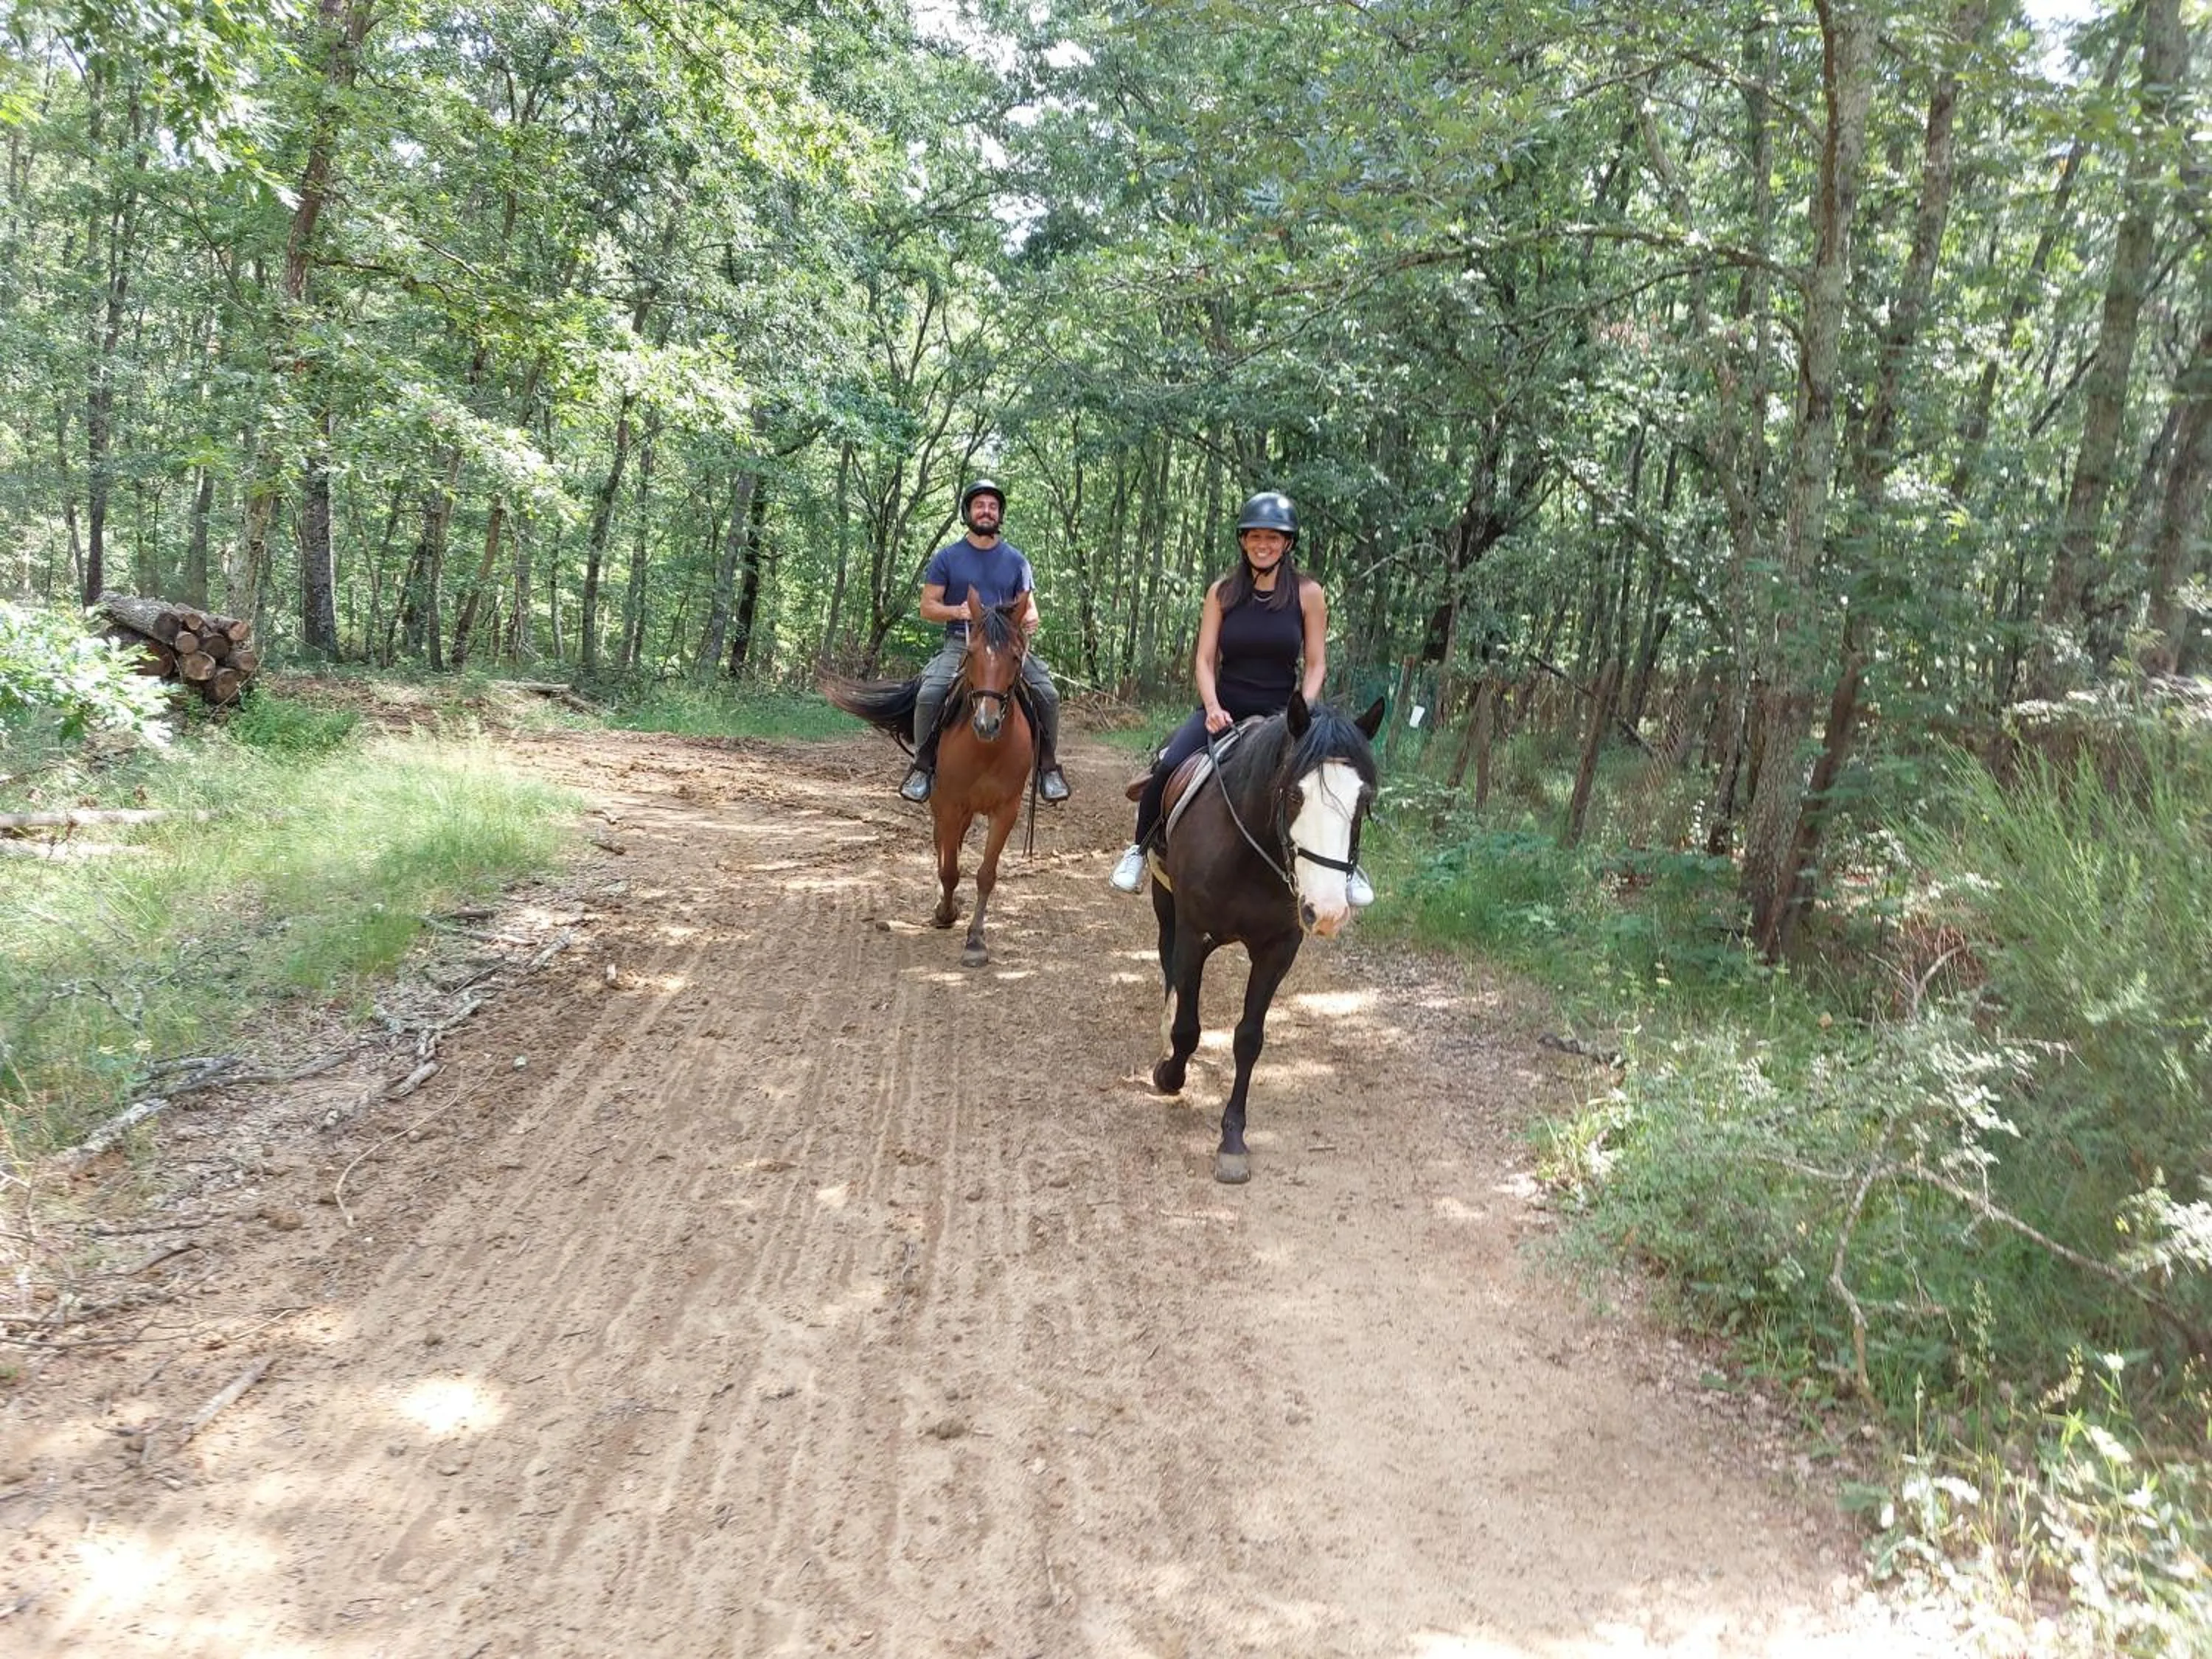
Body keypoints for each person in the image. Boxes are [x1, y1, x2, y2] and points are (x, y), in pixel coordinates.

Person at [1109, 490, 1373, 906]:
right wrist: (1212, 708)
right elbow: (1204, 658)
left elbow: (1317, 663)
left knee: (1332, 778)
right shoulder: (1222, 592)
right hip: (1225, 708)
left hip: (1284, 715)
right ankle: (1139, 850)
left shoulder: (1308, 593)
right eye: (1254, 537)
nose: (1263, 545)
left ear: (1287, 543)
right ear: (1243, 541)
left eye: (1272, 537)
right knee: (1170, 763)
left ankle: (1349, 866)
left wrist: (1300, 715)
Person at [901, 479, 1069, 804]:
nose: (986, 511)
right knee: (931, 692)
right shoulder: (947, 558)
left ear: (999, 515)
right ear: (968, 512)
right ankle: (922, 765)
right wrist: (956, 610)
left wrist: (1032, 617)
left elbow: (1029, 605)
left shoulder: (1017, 561)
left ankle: (1047, 768)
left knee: (1047, 694)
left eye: (993, 506)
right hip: (962, 643)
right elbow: (927, 607)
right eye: (980, 505)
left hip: (1007, 648)